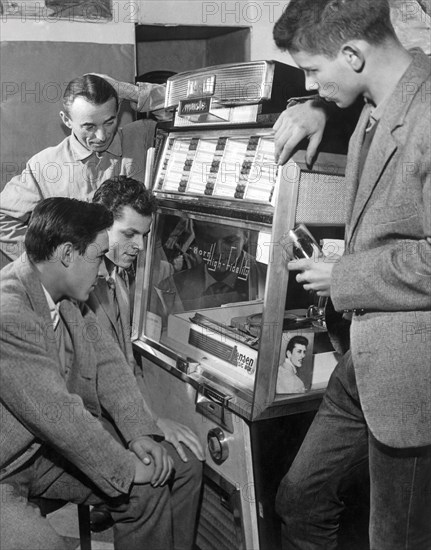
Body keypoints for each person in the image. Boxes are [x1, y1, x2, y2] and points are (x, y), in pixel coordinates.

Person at [272, 1, 431, 549]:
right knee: (300, 496)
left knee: (397, 536)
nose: (312, 85)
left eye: (314, 71)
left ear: (352, 53)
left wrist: (343, 277)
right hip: (362, 359)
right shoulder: (372, 100)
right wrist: (319, 108)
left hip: (414, 374)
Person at [0, 197, 200, 550]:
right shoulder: (10, 311)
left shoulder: (67, 292)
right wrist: (124, 466)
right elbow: (56, 412)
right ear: (66, 254)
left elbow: (109, 366)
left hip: (41, 454)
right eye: (96, 255)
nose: (102, 267)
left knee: (151, 485)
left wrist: (140, 434)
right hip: (6, 468)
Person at [88, 176, 204, 534]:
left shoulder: (120, 271)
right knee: (151, 482)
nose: (139, 245)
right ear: (100, 225)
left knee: (189, 460)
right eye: (128, 234)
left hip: (118, 406)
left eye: (144, 235)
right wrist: (151, 423)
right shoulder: (84, 278)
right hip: (91, 414)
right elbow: (105, 379)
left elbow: (124, 361)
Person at [0, 73, 165, 263]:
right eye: (89, 126)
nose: (102, 136)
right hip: (83, 290)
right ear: (67, 120)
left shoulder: (143, 136)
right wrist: (51, 261)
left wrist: (129, 91)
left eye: (109, 122)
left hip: (145, 282)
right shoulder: (45, 165)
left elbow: (196, 107)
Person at [156, 220, 267, 315]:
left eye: (230, 241)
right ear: (197, 237)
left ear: (246, 235)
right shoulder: (170, 290)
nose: (218, 251)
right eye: (209, 241)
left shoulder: (271, 283)